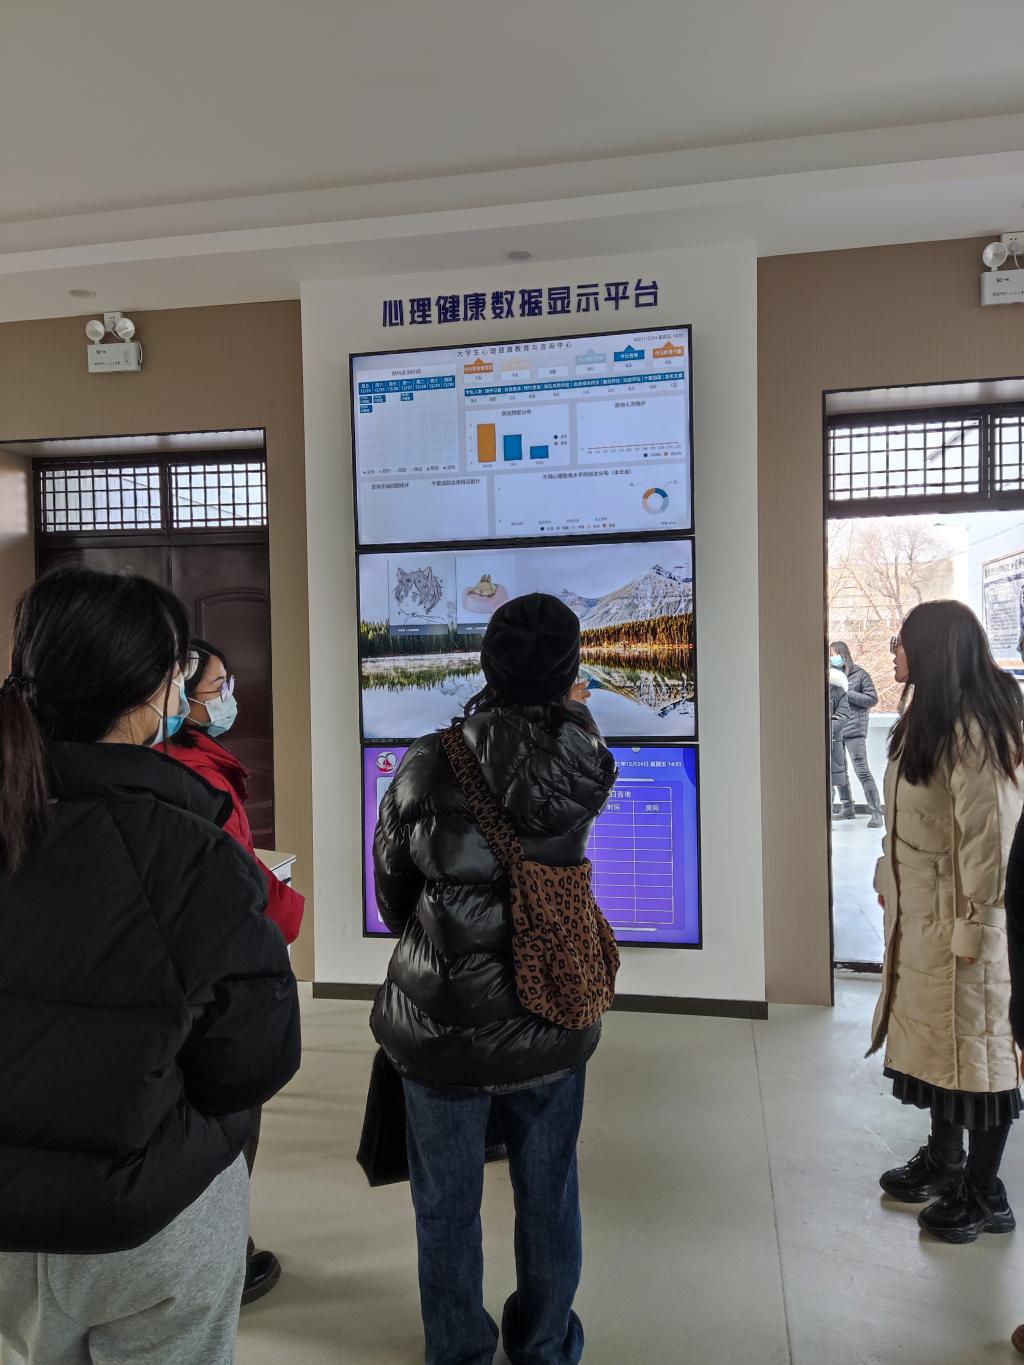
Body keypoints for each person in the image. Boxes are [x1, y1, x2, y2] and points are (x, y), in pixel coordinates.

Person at [0, 567, 301, 1365]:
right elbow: (254, 1059)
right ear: (146, 693)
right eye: (179, 672)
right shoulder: (193, 853)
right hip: (150, 1227)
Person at [371, 593, 616, 1365]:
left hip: (443, 1022)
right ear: (572, 670)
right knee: (550, 1197)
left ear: (486, 664)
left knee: (446, 1206)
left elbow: (393, 888)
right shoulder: (584, 757)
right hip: (554, 1010)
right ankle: (544, 1343)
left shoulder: (428, 759)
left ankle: (459, 1349)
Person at [870, 600, 1024, 1244]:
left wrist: (981, 929)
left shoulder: (978, 731)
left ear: (934, 650)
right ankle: (945, 1159)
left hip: (965, 923)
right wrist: (890, 877)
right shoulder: (927, 719)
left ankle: (986, 1193)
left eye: (902, 643)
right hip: (924, 916)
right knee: (942, 1045)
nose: (895, 653)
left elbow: (994, 842)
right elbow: (909, 818)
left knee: (980, 1053)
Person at [159, 637, 305, 1306]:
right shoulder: (197, 780)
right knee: (228, 1125)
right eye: (218, 688)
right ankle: (224, 1261)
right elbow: (241, 883)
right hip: (220, 985)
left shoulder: (165, 765)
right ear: (176, 696)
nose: (229, 698)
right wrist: (290, 912)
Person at [830, 640, 883, 828]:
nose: (832, 658)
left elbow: (872, 699)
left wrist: (847, 692)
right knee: (840, 772)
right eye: (831, 654)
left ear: (844, 654)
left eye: (835, 654)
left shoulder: (860, 674)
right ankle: (847, 808)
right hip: (837, 729)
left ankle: (876, 812)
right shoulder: (831, 676)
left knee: (862, 770)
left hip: (855, 731)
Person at [829, 654, 851, 817]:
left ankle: (825, 818)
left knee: (828, 783)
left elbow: (843, 715)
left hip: (831, 742)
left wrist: (824, 729)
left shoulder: (838, 689)